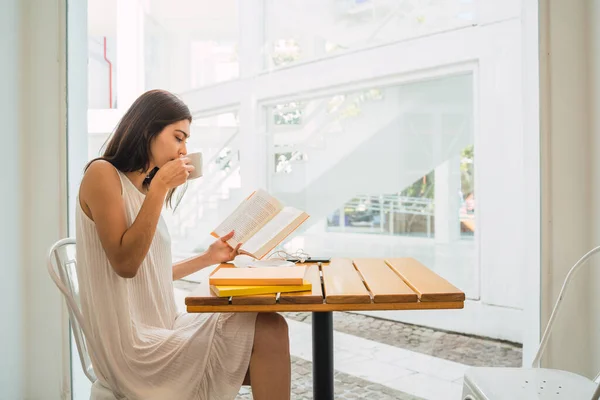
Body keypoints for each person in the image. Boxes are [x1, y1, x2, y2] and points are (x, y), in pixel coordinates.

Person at [76, 89, 291, 400]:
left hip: (165, 326)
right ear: (147, 129)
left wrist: (208, 257)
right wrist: (161, 187)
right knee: (268, 334)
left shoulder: (143, 189)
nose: (183, 151)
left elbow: (150, 274)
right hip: (134, 349)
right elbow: (125, 265)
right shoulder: (102, 174)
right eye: (178, 137)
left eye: (186, 141)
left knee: (271, 327)